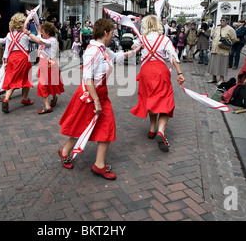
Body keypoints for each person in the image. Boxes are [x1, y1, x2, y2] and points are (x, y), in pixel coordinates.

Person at [58, 18, 142, 180]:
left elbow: (117, 57)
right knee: (79, 127)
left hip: (101, 95)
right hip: (90, 96)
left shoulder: (103, 49)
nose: (114, 35)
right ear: (105, 33)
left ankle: (99, 165)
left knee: (107, 127)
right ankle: (65, 152)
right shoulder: (93, 51)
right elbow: (87, 78)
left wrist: (136, 51)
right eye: (112, 32)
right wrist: (96, 101)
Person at [130, 15, 185, 153]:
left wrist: (138, 44)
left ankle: (152, 129)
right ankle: (160, 131)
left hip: (145, 72)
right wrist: (179, 73)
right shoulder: (164, 39)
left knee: (150, 99)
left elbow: (132, 46)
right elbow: (173, 56)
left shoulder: (141, 39)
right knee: (165, 100)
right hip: (160, 71)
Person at [0, 13, 34, 113]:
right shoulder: (25, 34)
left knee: (12, 79)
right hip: (23, 58)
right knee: (26, 78)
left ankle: (6, 99)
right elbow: (37, 39)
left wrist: (5, 61)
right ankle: (24, 99)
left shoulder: (9, 35)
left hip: (12, 59)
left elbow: (7, 50)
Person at [23, 22, 65, 114]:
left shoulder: (52, 40)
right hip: (47, 64)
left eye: (43, 32)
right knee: (51, 83)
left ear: (48, 32)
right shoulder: (48, 39)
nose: (42, 33)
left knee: (45, 84)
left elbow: (38, 41)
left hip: (48, 64)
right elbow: (39, 39)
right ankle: (53, 99)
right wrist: (38, 32)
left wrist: (28, 33)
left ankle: (47, 106)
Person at [208, 16, 238, 85]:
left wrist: (227, 44)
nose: (221, 21)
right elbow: (214, 36)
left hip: (223, 50)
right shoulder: (217, 28)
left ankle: (222, 79)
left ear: (227, 21)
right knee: (214, 64)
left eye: (223, 20)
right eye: (221, 20)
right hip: (215, 49)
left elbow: (234, 39)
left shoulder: (230, 29)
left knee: (222, 64)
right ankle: (214, 77)